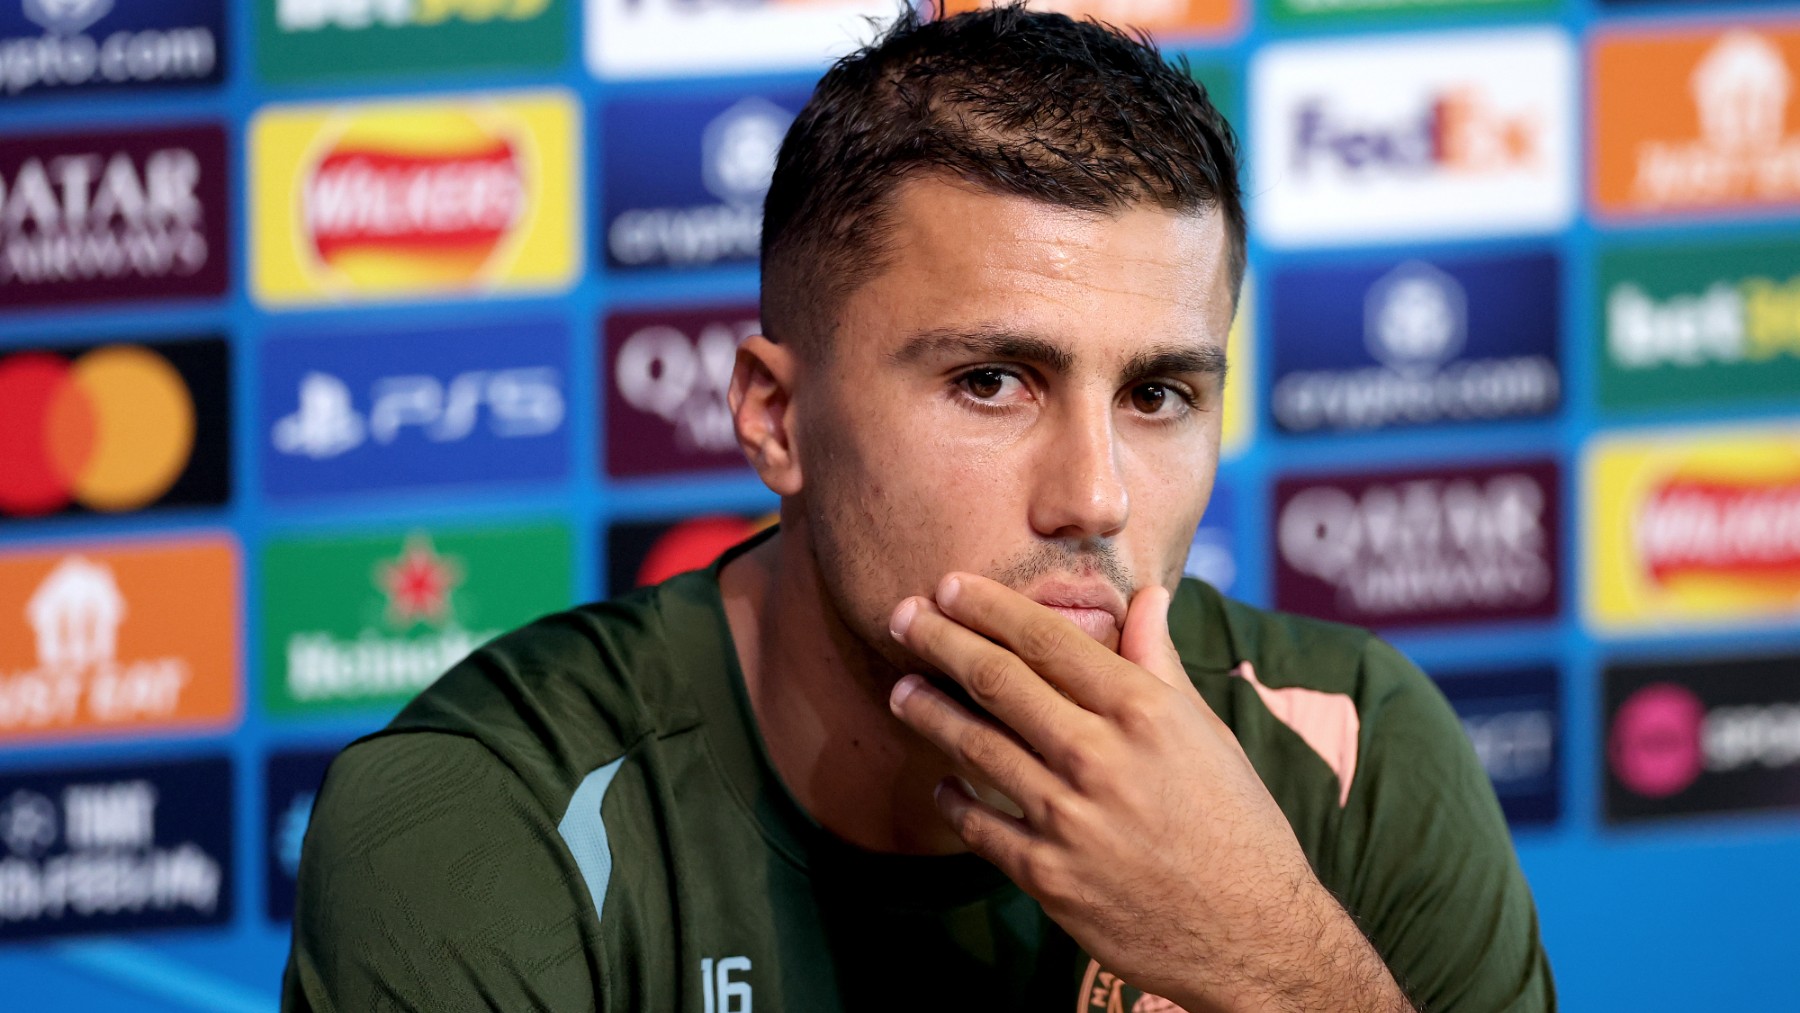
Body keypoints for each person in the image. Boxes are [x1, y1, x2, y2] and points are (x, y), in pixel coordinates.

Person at [282, 5, 1555, 1011]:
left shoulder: (1352, 750)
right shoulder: (491, 815)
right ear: (777, 418)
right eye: (992, 381)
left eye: (1160, 392)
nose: (1095, 495)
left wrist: (1267, 963)